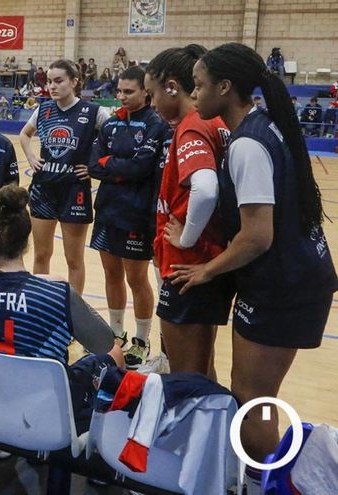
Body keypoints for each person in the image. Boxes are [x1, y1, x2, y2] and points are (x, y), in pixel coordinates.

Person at [171, 43, 338, 478]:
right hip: (291, 279)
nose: (194, 93)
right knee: (252, 395)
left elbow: (257, 237)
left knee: (253, 400)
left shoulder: (248, 145)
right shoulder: (261, 127)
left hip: (285, 286)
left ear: (225, 88)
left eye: (200, 85)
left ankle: (266, 481)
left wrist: (206, 269)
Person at [0, 185, 123, 460]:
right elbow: (105, 343)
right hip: (44, 415)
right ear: (26, 239)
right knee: (117, 353)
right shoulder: (57, 294)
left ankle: (2, 438)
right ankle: (103, 457)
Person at [140, 45, 231, 379]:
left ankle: (191, 431)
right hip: (206, 261)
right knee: (203, 369)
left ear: (172, 87)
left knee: (184, 377)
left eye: (152, 94)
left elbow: (206, 189)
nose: (151, 104)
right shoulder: (217, 123)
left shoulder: (192, 126)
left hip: (186, 265)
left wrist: (185, 236)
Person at [85, 65, 170, 369]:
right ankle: (116, 334)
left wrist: (112, 166)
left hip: (136, 214)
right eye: (118, 91)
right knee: (111, 274)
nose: (121, 96)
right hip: (108, 210)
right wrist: (118, 166)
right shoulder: (109, 125)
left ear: (146, 92)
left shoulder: (157, 125)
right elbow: (94, 166)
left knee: (137, 278)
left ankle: (142, 340)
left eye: (128, 91)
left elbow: (142, 168)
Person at [18, 59, 110, 292]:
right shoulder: (43, 109)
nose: (52, 86)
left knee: (74, 259)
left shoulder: (94, 112)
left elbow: (115, 139)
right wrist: (30, 156)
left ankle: (75, 310)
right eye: (49, 81)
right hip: (44, 189)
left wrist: (94, 166)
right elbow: (24, 135)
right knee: (41, 254)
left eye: (58, 81)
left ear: (74, 82)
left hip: (75, 190)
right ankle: (41, 303)